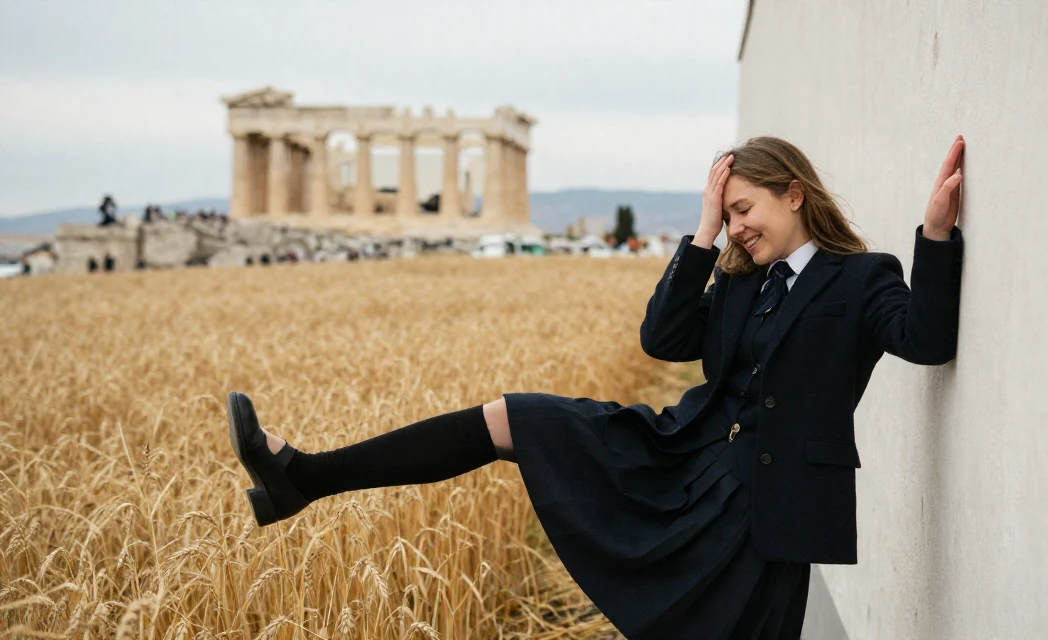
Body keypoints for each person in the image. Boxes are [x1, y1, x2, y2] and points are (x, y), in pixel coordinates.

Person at [225, 135, 966, 639]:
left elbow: (924, 339)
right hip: (682, 463)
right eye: (727, 213)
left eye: (742, 210)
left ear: (794, 194)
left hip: (771, 515)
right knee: (511, 418)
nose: (737, 227)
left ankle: (304, 478)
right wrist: (701, 237)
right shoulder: (742, 282)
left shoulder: (860, 278)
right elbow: (663, 341)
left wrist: (934, 235)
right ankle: (307, 476)